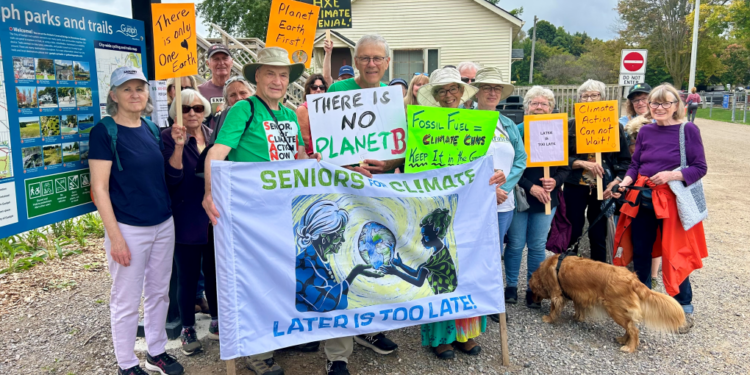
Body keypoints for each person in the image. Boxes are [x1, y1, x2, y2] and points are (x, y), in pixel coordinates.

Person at [201, 46, 326, 375]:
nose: (277, 80)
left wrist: (313, 163)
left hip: (283, 213)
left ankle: (283, 334)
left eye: (283, 75)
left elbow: (298, 159)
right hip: (250, 216)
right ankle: (258, 352)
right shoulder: (244, 110)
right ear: (257, 76)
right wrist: (209, 192)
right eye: (270, 73)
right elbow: (217, 152)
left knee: (284, 275)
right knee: (254, 281)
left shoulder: (288, 115)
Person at [89, 67, 184, 375]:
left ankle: (155, 352)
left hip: (162, 222)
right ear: (113, 95)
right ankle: (126, 363)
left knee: (159, 292)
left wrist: (180, 148)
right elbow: (99, 189)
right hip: (129, 227)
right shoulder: (104, 132)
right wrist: (115, 237)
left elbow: (164, 176)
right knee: (126, 299)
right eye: (127, 89)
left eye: (139, 89)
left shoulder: (151, 129)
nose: (135, 94)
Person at [322, 33, 402, 363]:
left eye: (377, 58)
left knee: (375, 262)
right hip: (342, 193)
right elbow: (324, 151)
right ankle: (337, 354)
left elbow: (402, 152)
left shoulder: (392, 97)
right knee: (341, 264)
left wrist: (391, 163)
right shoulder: (336, 92)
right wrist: (348, 166)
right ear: (355, 62)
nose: (371, 63)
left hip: (377, 197)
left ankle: (369, 328)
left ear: (387, 63)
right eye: (365, 58)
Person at [413, 67, 501, 359]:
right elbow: (417, 164)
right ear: (435, 96)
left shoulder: (477, 123)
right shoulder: (424, 124)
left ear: (462, 92)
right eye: (442, 90)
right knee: (442, 269)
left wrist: (495, 174)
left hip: (471, 208)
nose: (448, 95)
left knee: (470, 267)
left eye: (453, 89)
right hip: (437, 206)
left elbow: (485, 161)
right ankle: (440, 336)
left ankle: (467, 333)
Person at [615, 83, 708, 334]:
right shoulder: (645, 132)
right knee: (642, 252)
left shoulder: (687, 129)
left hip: (672, 203)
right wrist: (624, 182)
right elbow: (635, 165)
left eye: (666, 102)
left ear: (677, 105)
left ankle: (682, 309)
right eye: (655, 103)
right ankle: (645, 304)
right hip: (642, 200)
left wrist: (671, 175)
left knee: (674, 254)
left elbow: (700, 167)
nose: (659, 107)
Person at [162, 89, 219, 356]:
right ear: (176, 113)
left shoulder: (213, 136)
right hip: (185, 216)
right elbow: (171, 178)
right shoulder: (166, 137)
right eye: (186, 109)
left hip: (212, 215)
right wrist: (178, 146)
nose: (193, 113)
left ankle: (217, 321)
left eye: (197, 108)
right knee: (187, 276)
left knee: (215, 271)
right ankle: (187, 327)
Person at [470, 67, 527, 323]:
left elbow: (521, 159)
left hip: (504, 202)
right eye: (486, 88)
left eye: (496, 89)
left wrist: (503, 189)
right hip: (473, 201)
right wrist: (486, 189)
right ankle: (470, 299)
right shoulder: (464, 121)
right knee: (472, 251)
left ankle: (490, 300)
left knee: (494, 253)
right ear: (477, 92)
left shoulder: (508, 125)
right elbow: (461, 162)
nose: (492, 93)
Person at [507, 86, 571, 308]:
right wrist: (530, 186)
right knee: (515, 244)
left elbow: (565, 167)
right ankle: (511, 287)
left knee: (537, 245)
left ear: (551, 108)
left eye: (544, 104)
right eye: (534, 103)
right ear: (526, 108)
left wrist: (556, 181)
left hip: (546, 199)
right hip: (520, 195)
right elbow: (509, 166)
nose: (539, 107)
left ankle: (533, 289)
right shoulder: (516, 131)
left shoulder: (558, 131)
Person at [565, 79, 630, 263]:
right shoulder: (570, 125)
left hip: (603, 186)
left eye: (595, 95)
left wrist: (617, 180)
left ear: (603, 98)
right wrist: (581, 163)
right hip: (575, 185)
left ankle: (599, 277)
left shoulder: (614, 126)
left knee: (598, 233)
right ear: (579, 100)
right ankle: (569, 273)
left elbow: (625, 160)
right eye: (585, 96)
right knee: (573, 230)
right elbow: (561, 159)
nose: (590, 99)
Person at [619, 83, 662, 284]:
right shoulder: (622, 123)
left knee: (657, 234)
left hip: (655, 185)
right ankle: (636, 274)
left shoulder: (662, 123)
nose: (640, 103)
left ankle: (653, 276)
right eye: (636, 100)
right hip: (632, 180)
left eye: (644, 98)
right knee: (636, 233)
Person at [208, 76, 255, 145]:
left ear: (252, 94)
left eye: (243, 93)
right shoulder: (224, 120)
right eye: (233, 95)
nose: (238, 98)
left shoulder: (263, 116)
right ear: (227, 101)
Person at [198, 44, 233, 129]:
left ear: (232, 62)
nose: (221, 63)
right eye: (216, 59)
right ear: (208, 63)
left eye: (225, 58)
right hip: (210, 141)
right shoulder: (199, 92)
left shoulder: (241, 91)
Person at [296, 73, 328, 156]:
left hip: (330, 154)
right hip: (313, 157)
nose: (318, 90)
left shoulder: (329, 108)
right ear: (308, 89)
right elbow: (305, 139)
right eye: (314, 87)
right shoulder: (303, 109)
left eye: (321, 87)